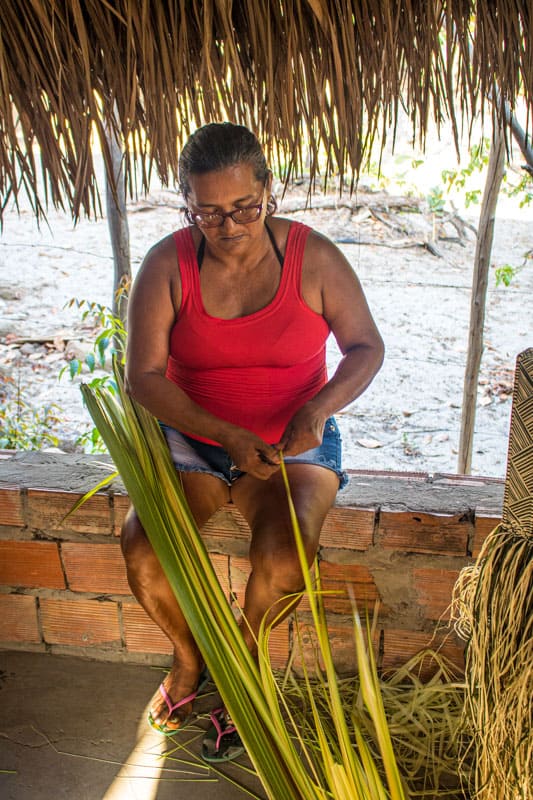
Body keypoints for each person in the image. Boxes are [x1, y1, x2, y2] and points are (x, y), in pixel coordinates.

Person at [122, 121, 384, 761]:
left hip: (294, 445)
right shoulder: (168, 263)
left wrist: (318, 410)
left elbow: (365, 349)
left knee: (286, 561)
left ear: (270, 190)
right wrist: (224, 435)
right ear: (188, 204)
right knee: (143, 551)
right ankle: (189, 664)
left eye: (245, 207)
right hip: (196, 444)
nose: (231, 225)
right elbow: (142, 379)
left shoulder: (313, 258)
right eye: (209, 213)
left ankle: (242, 669)